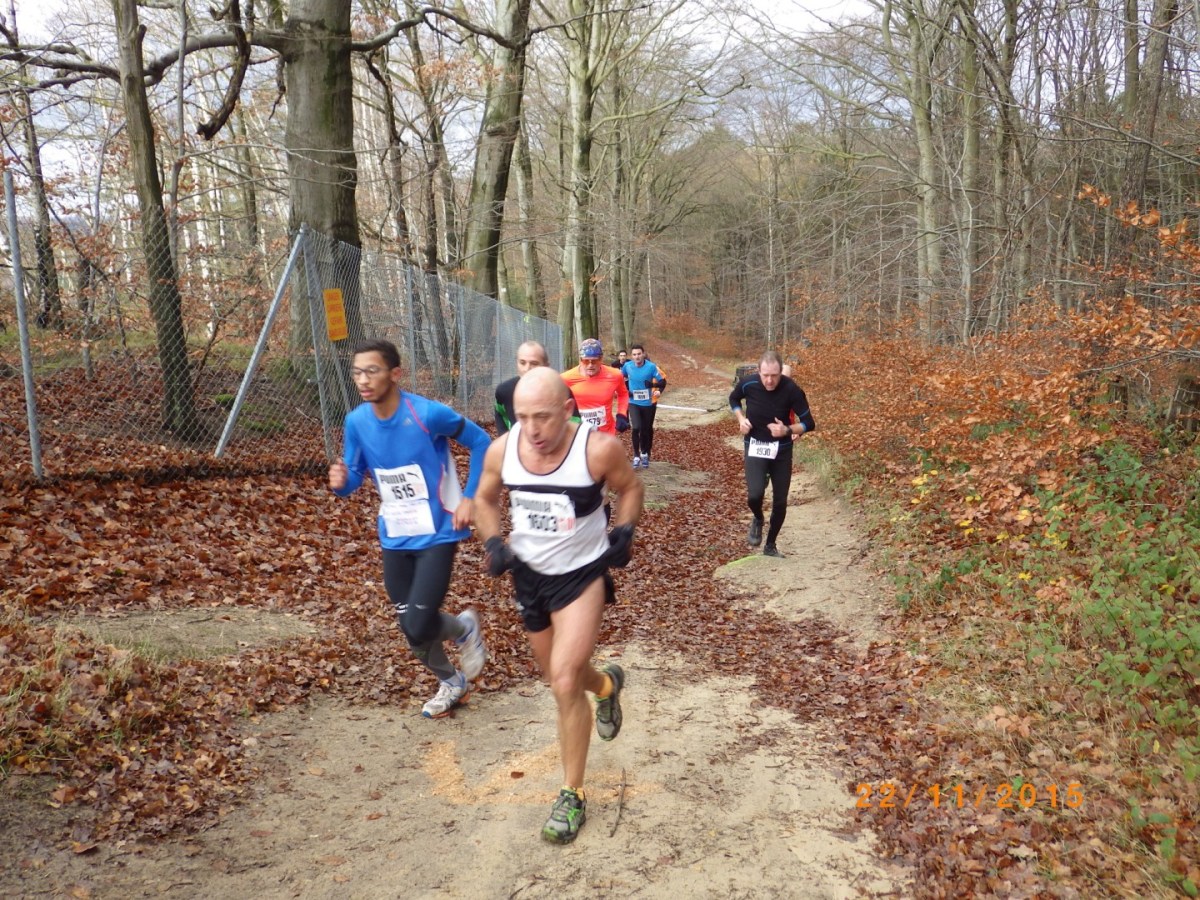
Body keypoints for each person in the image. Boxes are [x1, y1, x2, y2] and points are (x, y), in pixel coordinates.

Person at [474, 367, 644, 844]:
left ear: (568, 410)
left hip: (582, 574)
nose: (532, 429)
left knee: (565, 681)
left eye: (543, 417)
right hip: (529, 577)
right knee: (560, 677)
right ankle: (606, 686)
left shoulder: (597, 450)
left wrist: (624, 530)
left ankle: (572, 793)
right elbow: (484, 499)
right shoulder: (503, 450)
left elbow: (630, 488)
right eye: (522, 417)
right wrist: (493, 541)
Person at [329, 339, 492, 718]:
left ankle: (463, 629)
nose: (363, 380)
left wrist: (470, 497)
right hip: (395, 535)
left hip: (437, 532)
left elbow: (481, 442)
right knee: (411, 627)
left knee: (418, 622)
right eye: (357, 372)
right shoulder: (356, 422)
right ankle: (452, 682)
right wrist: (341, 483)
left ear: (395, 374)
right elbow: (354, 476)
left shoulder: (427, 414)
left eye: (372, 371)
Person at [728, 350, 816, 558]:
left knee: (780, 501)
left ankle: (770, 545)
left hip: (781, 451)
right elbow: (733, 399)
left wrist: (787, 429)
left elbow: (809, 423)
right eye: (765, 375)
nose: (769, 380)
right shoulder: (748, 384)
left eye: (774, 376)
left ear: (781, 372)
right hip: (755, 445)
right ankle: (758, 518)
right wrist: (741, 419)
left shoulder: (792, 389)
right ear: (758, 371)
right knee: (754, 495)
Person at [562, 338, 630, 437]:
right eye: (586, 361)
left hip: (606, 434)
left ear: (601, 359)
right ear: (580, 360)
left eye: (594, 361)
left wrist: (622, 414)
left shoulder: (615, 375)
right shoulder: (566, 378)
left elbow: (623, 394)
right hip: (578, 435)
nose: (590, 365)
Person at [620, 343, 667, 469]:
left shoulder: (651, 367)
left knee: (646, 429)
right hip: (633, 402)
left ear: (643, 354)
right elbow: (619, 378)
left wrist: (658, 390)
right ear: (631, 356)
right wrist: (624, 391)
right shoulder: (627, 366)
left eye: (639, 354)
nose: (637, 357)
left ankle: (644, 453)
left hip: (648, 403)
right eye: (634, 354)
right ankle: (636, 455)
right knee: (636, 427)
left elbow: (662, 381)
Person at [495, 340, 549, 434]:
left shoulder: (560, 392)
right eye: (522, 363)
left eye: (534, 363)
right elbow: (503, 430)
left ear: (546, 366)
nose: (527, 369)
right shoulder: (504, 392)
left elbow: (573, 429)